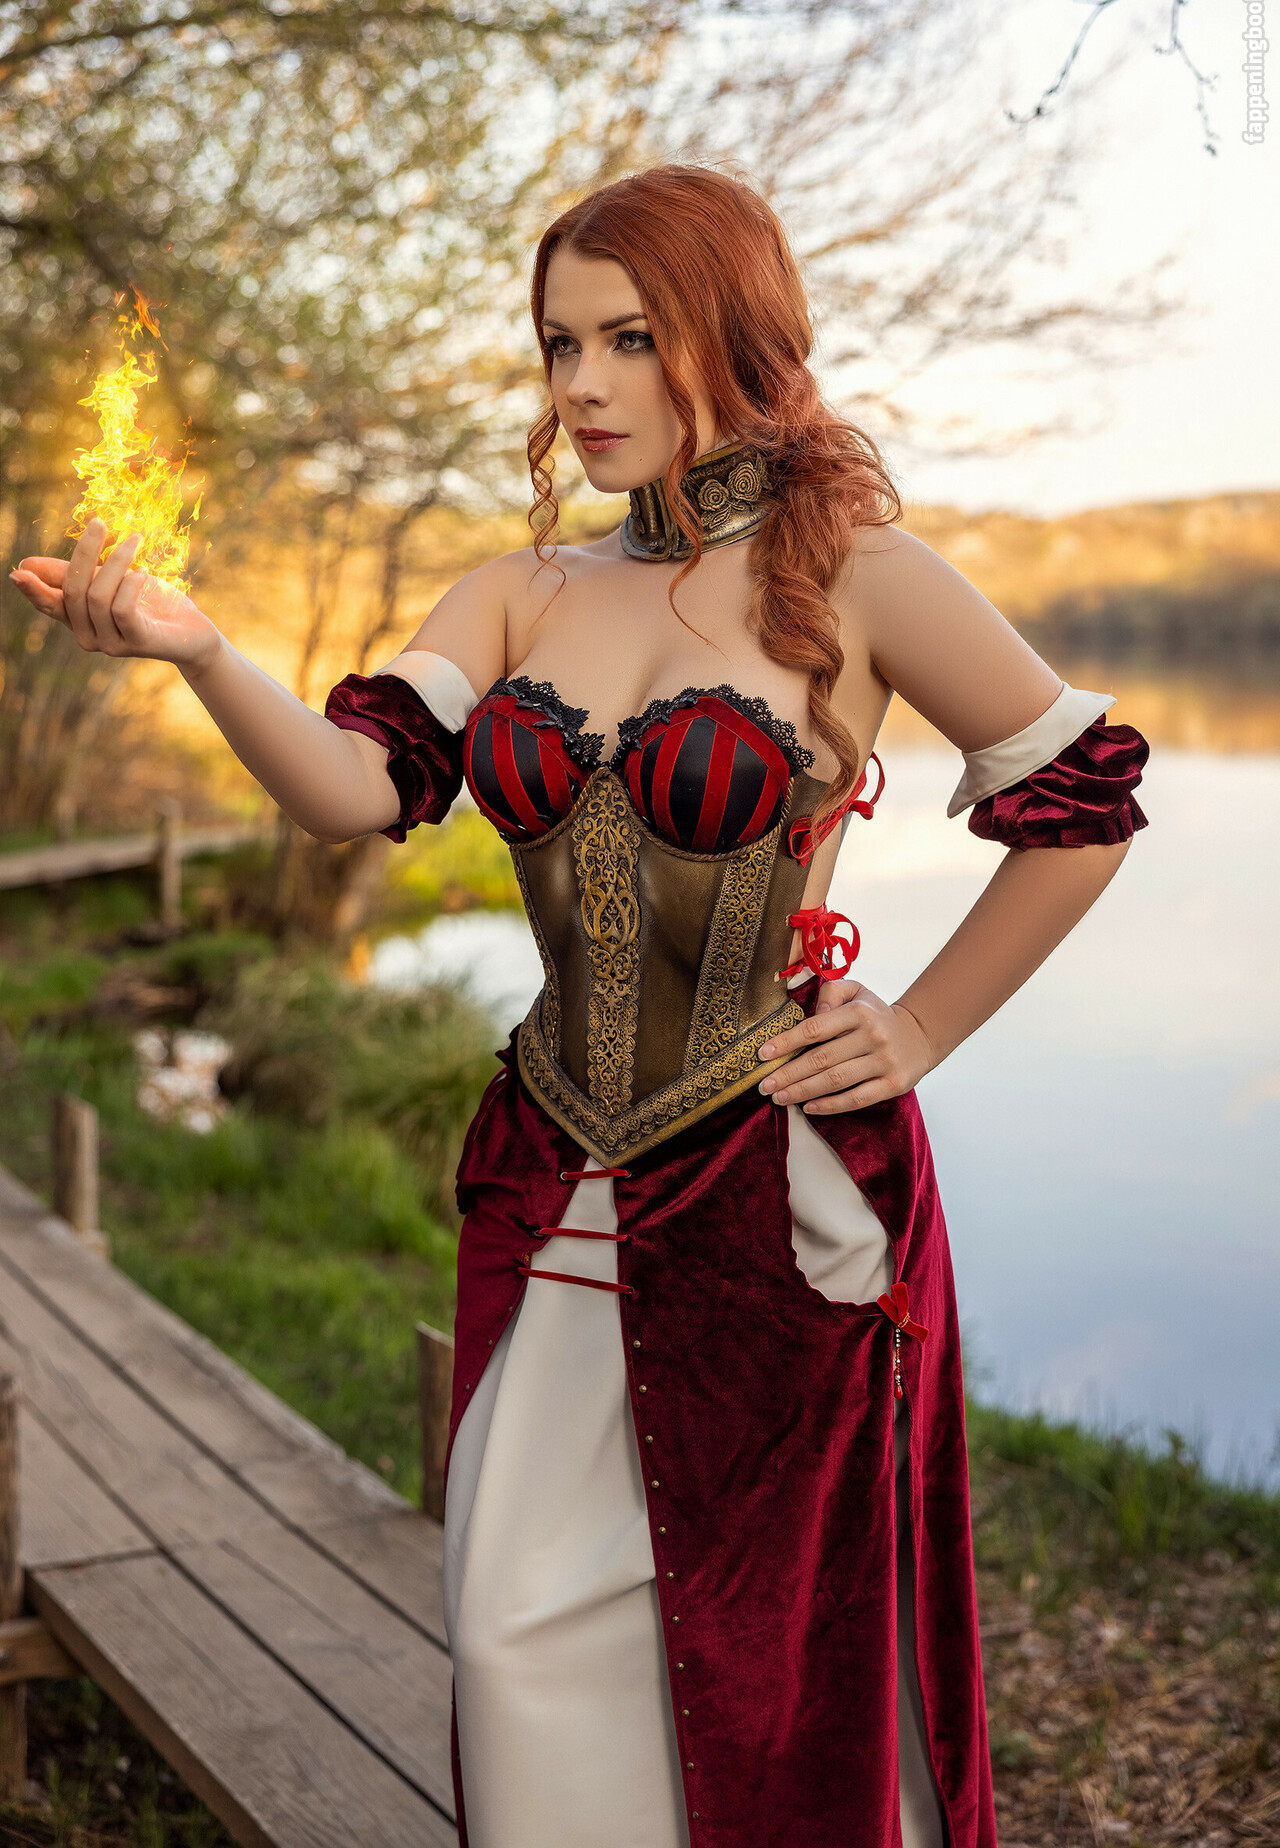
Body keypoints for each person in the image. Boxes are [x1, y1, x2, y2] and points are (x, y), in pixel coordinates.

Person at [11, 164, 1148, 1848]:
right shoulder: (519, 588)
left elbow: (1084, 808)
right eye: (560, 343)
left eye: (631, 337)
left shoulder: (860, 576)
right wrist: (202, 653)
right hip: (553, 1168)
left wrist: (917, 1028)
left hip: (776, 1187)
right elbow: (352, 791)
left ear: (734, 337)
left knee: (771, 1666)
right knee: (515, 1635)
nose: (585, 384)